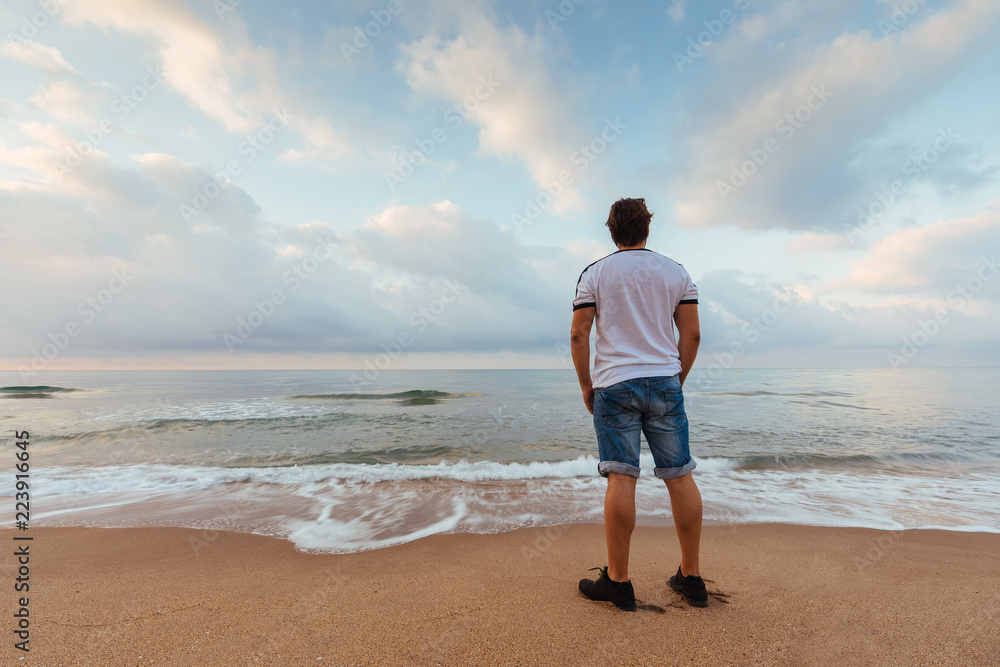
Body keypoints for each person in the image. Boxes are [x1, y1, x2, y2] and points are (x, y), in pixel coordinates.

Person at [571, 197, 706, 611]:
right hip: (664, 381)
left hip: (614, 384)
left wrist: (586, 386)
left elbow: (579, 336)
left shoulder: (594, 273)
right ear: (647, 228)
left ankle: (618, 581)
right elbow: (693, 335)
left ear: (611, 230)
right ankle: (691, 577)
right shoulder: (676, 272)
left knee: (621, 478)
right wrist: (675, 380)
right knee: (679, 476)